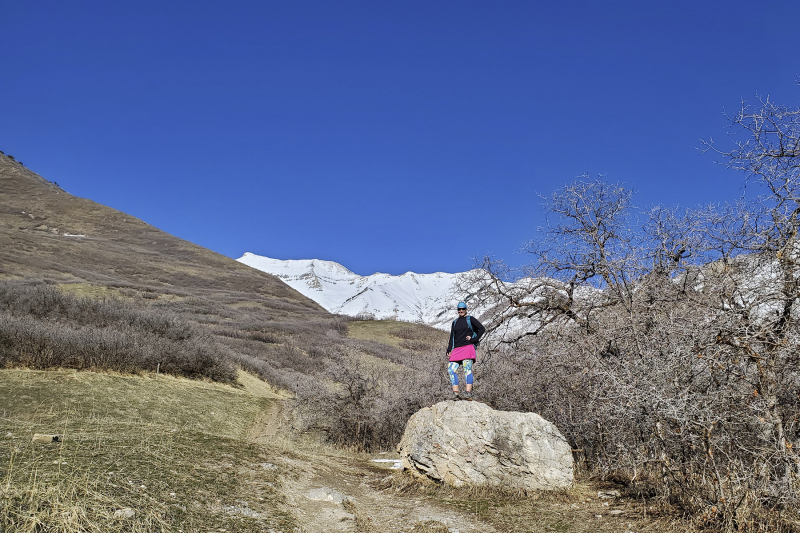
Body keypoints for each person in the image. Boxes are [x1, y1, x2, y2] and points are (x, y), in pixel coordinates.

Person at [446, 301, 485, 400]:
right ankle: (455, 393)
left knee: (467, 369)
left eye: (463, 309)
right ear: (457, 310)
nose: (461, 310)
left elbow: (482, 329)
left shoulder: (470, 319)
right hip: (457, 349)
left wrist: (473, 340)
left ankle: (468, 392)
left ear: (466, 309)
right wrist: (449, 349)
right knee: (451, 369)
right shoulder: (454, 322)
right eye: (459, 309)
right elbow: (452, 337)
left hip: (468, 347)